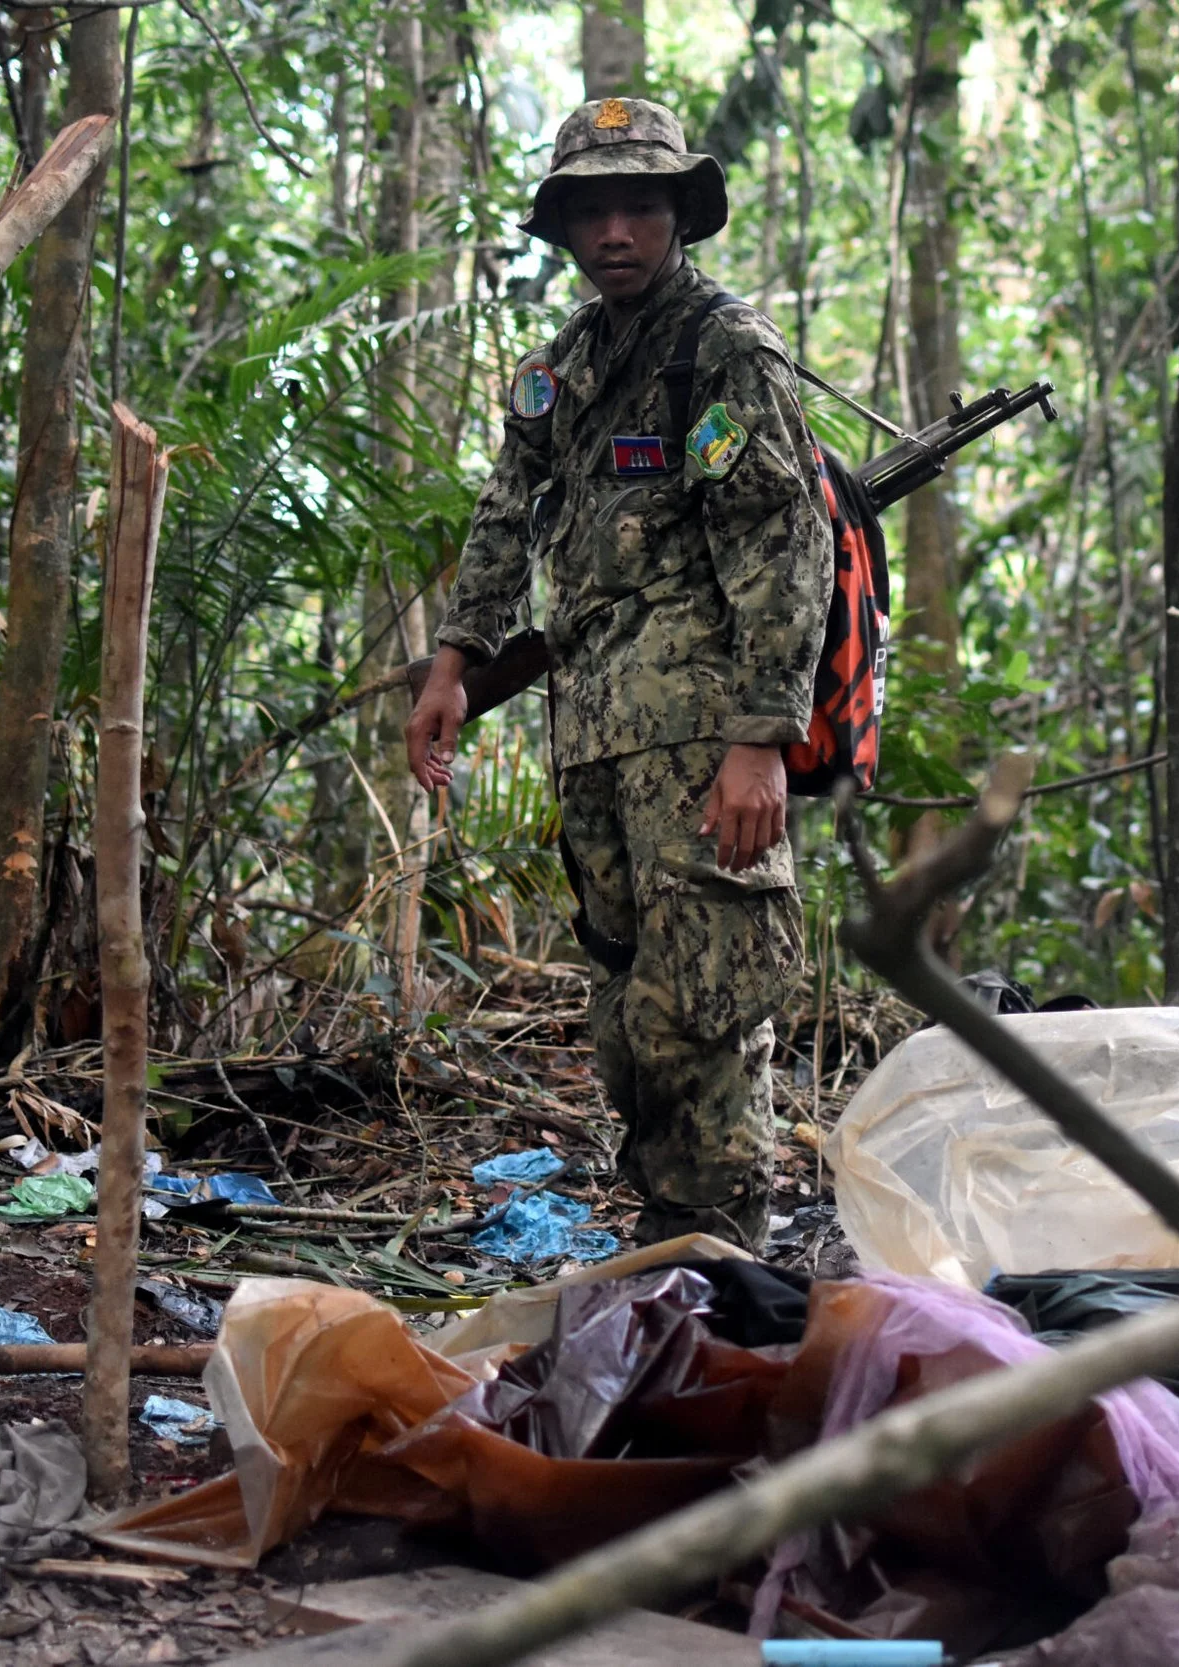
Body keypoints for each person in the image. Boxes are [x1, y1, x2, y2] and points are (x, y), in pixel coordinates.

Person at [404, 97, 833, 1250]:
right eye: (592, 209)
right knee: (623, 1003)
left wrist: (759, 742)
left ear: (678, 213)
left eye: (640, 204)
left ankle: (721, 1252)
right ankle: (667, 1239)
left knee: (702, 998)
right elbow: (505, 515)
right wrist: (455, 661)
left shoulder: (724, 349)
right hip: (591, 729)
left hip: (701, 736)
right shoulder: (566, 366)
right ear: (564, 228)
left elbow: (784, 545)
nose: (616, 232)